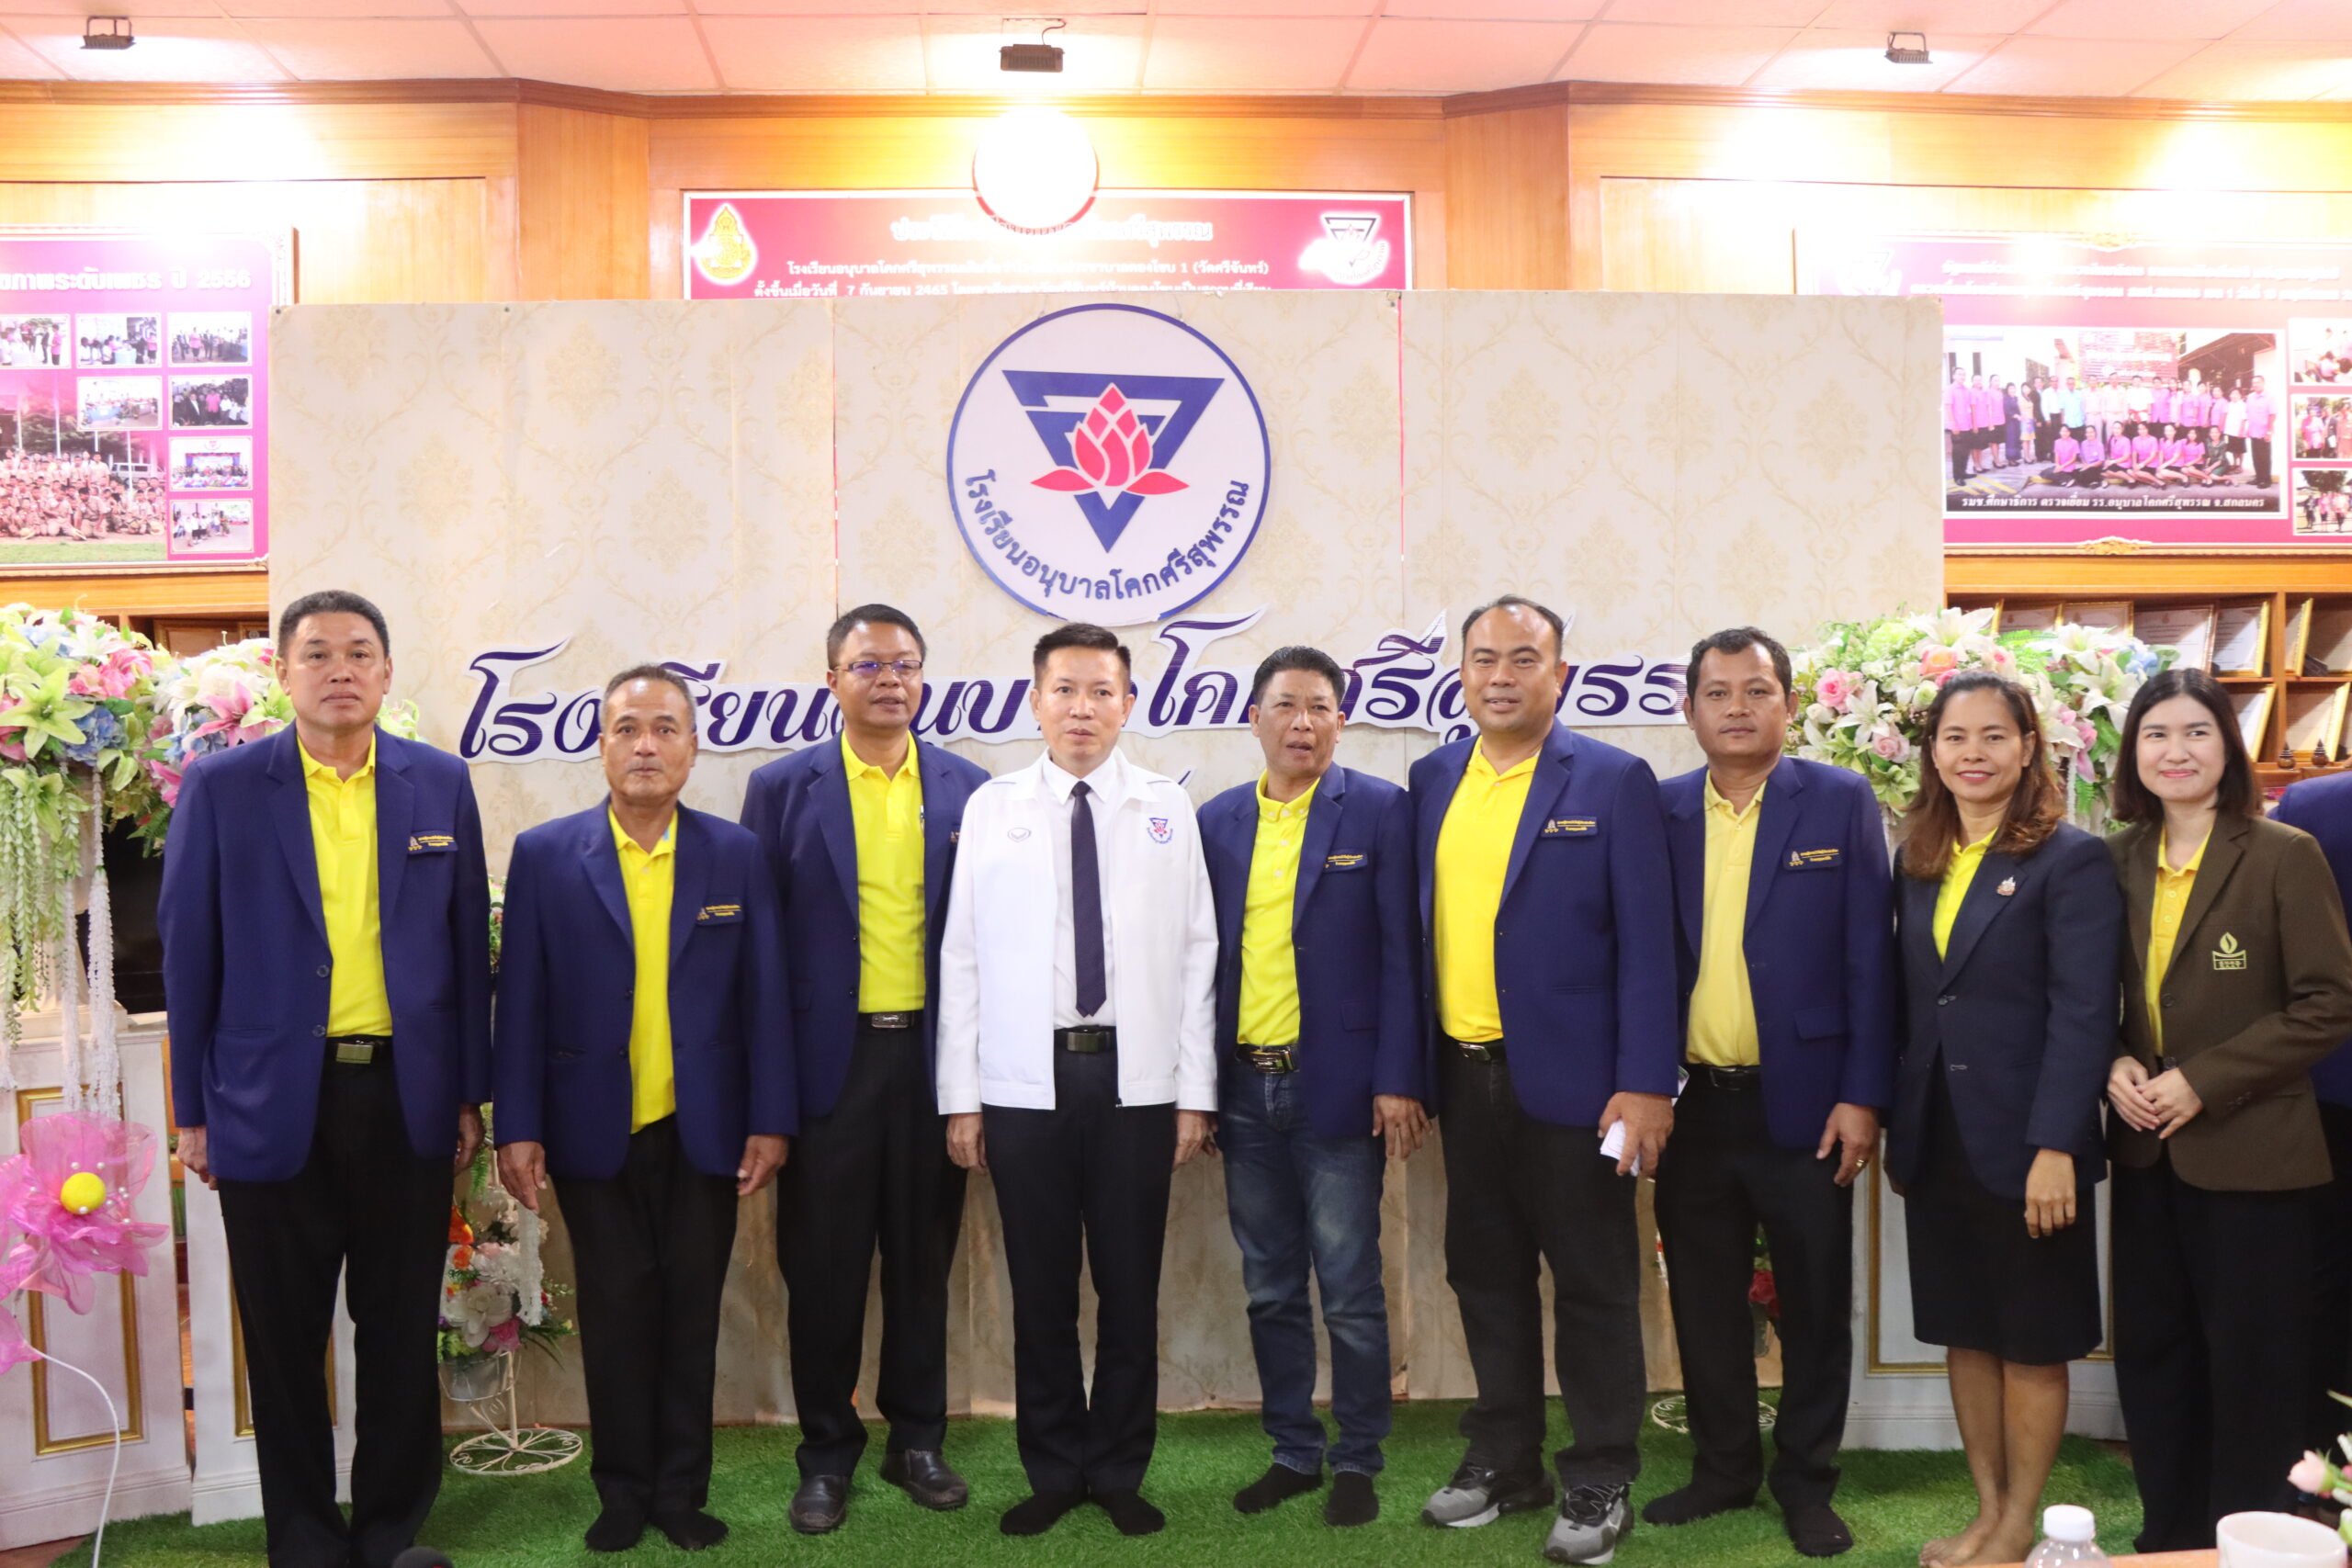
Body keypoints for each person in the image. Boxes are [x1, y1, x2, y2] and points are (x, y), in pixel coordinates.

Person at [159, 590, 491, 1568]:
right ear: (283, 672)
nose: (339, 669)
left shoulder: (439, 782)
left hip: (404, 1098)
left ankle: (389, 1533)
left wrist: (467, 1092)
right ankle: (305, 1541)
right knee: (284, 1337)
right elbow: (189, 956)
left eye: (358, 652)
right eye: (317, 653)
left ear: (387, 672)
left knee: (398, 1333)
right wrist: (192, 1112)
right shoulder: (222, 787)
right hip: (268, 1103)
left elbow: (467, 947)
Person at [494, 666, 795, 1553]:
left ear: (693, 747)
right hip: (593, 1130)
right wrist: (518, 1125)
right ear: (601, 746)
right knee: (618, 1312)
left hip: (705, 1129)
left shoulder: (735, 853)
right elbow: (522, 1002)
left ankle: (681, 1492)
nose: (646, 745)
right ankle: (622, 1490)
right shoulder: (547, 854)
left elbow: (765, 996)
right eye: (627, 728)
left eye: (665, 728)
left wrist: (770, 1118)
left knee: (691, 1313)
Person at [936, 622, 1218, 1539]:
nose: (1082, 708)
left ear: (1128, 702)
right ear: (1036, 701)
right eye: (1065, 689)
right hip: (1026, 1087)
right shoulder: (994, 808)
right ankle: (1055, 1469)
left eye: (1102, 690)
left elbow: (1198, 953)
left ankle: (1120, 1469)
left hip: (1137, 1085)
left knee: (1131, 1291)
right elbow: (962, 957)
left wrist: (1194, 1092)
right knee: (1042, 1293)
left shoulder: (1166, 808)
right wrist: (962, 1097)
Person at [1410, 595, 1677, 1565]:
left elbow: (1650, 945)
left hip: (1582, 1090)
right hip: (1464, 1077)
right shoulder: (1433, 777)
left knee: (1595, 1285)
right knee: (1483, 1274)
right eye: (1484, 657)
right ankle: (1505, 1457)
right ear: (1462, 671)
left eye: (1524, 659)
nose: (1501, 675)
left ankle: (1600, 1472)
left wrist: (1646, 1083)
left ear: (1559, 675)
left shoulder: (1611, 779)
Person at [739, 604, 990, 1533]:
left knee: (923, 1263)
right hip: (827, 1071)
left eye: (905, 665)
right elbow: (759, 956)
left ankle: (917, 1439)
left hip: (929, 1061)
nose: (890, 680)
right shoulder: (781, 788)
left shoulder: (969, 789)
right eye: (868, 665)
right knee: (824, 1270)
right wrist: (769, 1100)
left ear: (924, 677)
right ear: (832, 680)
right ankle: (826, 1453)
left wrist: (977, 1083)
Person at [1648, 628, 1896, 1559]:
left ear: (1789, 704)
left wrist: (1862, 1094)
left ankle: (1805, 1480)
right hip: (1693, 1105)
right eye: (1717, 692)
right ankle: (1722, 1469)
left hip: (1808, 1104)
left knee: (1814, 1300)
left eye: (1757, 690)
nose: (1737, 707)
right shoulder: (1662, 808)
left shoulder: (1837, 799)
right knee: (1704, 1298)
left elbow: (1869, 958)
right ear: (1690, 710)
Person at [2108, 670, 2352, 1551]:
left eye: (2196, 732)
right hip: (2146, 1150)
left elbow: (2329, 1002)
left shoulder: (2284, 851)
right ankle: (2169, 1539)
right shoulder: (2114, 858)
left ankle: (2246, 1541)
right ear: (2133, 754)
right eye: (2156, 734)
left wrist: (2203, 1080)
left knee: (2254, 1366)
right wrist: (2113, 1060)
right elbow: (2091, 993)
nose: (2175, 751)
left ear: (2228, 748)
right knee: (2155, 1356)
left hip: (2255, 1152)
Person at [1887, 671, 2120, 1568]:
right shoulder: (1918, 857)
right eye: (1955, 737)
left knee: (2030, 1339)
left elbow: (2083, 1012)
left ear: (2028, 747)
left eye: (1993, 736)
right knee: (1965, 1329)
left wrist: (2056, 1143)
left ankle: (2021, 1523)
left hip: (2027, 1143)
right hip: (1937, 1136)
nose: (1973, 754)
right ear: (1932, 751)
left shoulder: (2070, 859)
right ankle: (1985, 1512)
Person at [1198, 646, 1427, 1529]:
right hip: (1243, 1091)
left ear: (1342, 718)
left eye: (1320, 706)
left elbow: (1406, 954)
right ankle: (1293, 1449)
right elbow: (1198, 965)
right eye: (1286, 705)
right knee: (1269, 1286)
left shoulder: (1380, 809)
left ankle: (1359, 1456)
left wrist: (1398, 1078)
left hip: (1340, 1088)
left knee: (1351, 1288)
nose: (1303, 722)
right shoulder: (1217, 820)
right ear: (1253, 717)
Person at [2271, 773, 2352, 1455]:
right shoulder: (2314, 807)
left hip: (2329, 1081)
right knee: (2321, 1280)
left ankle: (2319, 1464)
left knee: (2321, 1282)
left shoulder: (2312, 804)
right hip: (2330, 1085)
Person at [2247, 376, 2276, 487]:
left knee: (2265, 457)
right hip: (2253, 431)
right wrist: (2248, 429)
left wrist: (2269, 431)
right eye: (2253, 383)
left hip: (2264, 432)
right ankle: (2258, 478)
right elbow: (2249, 414)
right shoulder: (2250, 397)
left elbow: (2272, 415)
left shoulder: (2270, 397)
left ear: (2263, 383)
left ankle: (2266, 480)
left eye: (2258, 382)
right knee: (2256, 457)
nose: (2255, 385)